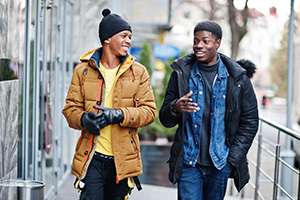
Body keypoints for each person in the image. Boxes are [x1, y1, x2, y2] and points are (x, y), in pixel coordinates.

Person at [62, 8, 157, 200]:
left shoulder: (138, 72)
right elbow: (70, 109)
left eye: (130, 37)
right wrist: (83, 119)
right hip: (92, 159)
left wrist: (120, 114)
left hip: (122, 162)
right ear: (107, 38)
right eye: (123, 36)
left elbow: (149, 112)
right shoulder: (83, 71)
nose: (128, 41)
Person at [159, 20, 259, 199]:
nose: (199, 46)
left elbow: (250, 121)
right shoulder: (182, 73)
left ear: (218, 44)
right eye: (196, 41)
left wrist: (233, 158)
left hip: (220, 163)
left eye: (205, 41)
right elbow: (165, 119)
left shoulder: (236, 78)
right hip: (189, 162)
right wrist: (174, 108)